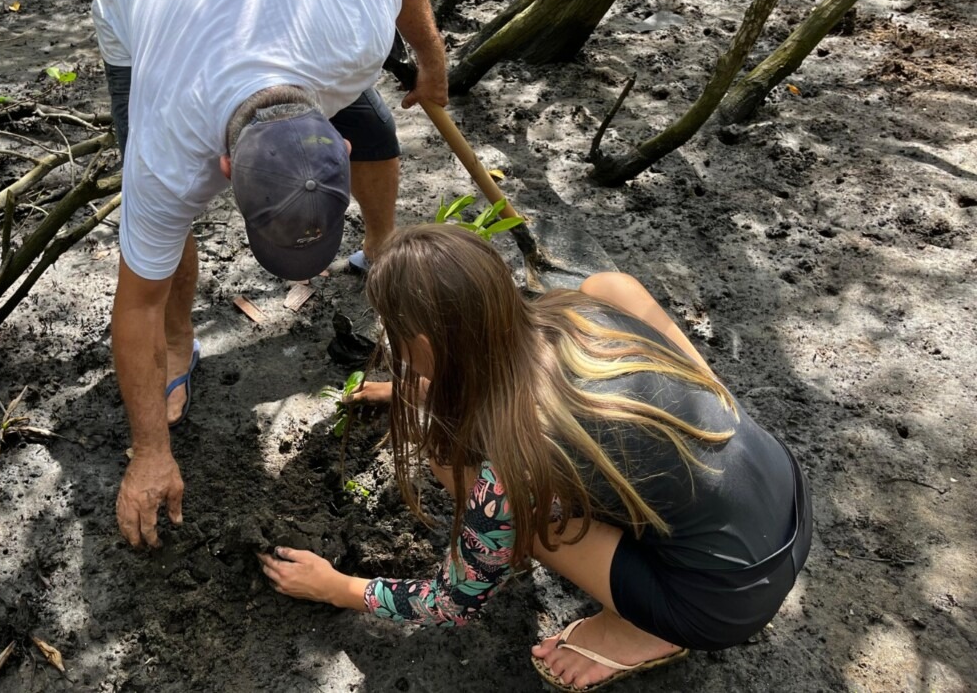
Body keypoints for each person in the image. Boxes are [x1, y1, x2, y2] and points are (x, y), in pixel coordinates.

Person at [258, 224, 812, 692]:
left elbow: (454, 599)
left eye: (394, 333)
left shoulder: (516, 465)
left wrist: (338, 588)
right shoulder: (585, 306)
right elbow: (501, 364)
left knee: (455, 462)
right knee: (612, 302)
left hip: (724, 600)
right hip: (786, 501)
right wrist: (420, 390)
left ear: (424, 345)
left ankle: (642, 632)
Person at [90, 0, 447, 548]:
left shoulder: (352, 34)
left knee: (382, 131)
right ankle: (181, 346)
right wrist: (150, 452)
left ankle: (380, 249)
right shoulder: (168, 157)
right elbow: (133, 304)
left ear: (335, 140)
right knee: (160, 248)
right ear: (224, 172)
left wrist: (432, 57)